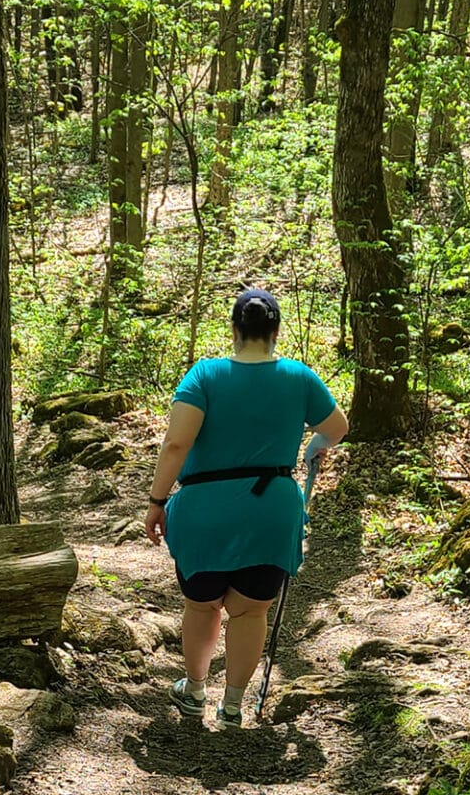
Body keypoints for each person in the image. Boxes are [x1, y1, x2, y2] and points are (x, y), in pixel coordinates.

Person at [144, 287, 348, 726]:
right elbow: (337, 427)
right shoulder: (300, 377)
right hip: (272, 511)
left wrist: (157, 501)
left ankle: (195, 691)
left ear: (235, 329)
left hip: (205, 510)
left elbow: (177, 443)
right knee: (252, 610)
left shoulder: (205, 376)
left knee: (202, 606)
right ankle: (234, 703)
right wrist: (315, 444)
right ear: (275, 332)